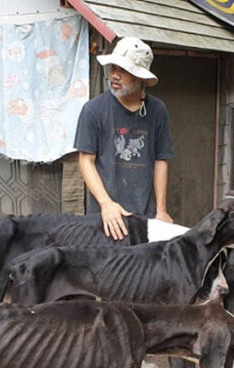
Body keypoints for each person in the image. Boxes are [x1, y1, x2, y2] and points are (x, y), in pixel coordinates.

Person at [74, 37, 174, 240]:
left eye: (124, 70)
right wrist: (106, 203)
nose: (115, 76)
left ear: (141, 77)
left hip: (143, 215)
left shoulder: (157, 110)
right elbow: (86, 161)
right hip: (104, 216)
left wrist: (161, 210)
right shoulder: (93, 110)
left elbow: (160, 160)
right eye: (113, 68)